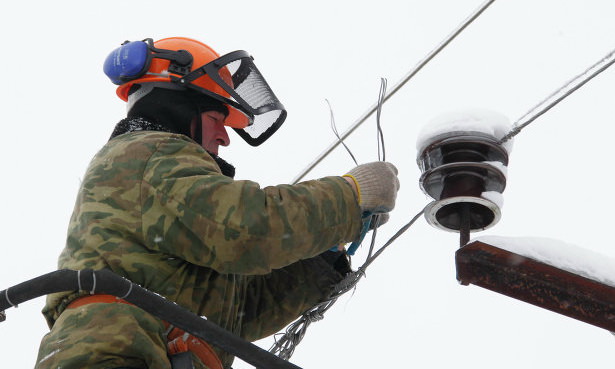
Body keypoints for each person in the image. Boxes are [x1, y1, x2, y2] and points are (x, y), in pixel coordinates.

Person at [35, 37, 400, 369]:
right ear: (178, 108)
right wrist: (350, 197)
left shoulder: (163, 190)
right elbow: (246, 229)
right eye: (216, 117)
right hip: (114, 356)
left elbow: (237, 313)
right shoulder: (149, 151)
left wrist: (322, 256)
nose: (225, 137)